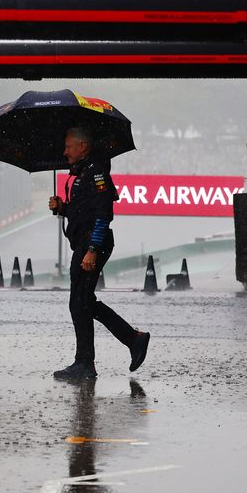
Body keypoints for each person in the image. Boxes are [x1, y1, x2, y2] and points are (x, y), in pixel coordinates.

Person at [48, 127, 150, 381]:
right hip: (84, 244)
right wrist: (63, 208)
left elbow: (104, 215)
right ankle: (130, 340)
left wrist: (92, 250)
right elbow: (83, 212)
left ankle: (87, 363)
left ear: (82, 146)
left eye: (69, 147)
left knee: (80, 302)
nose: (65, 152)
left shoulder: (97, 172)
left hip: (93, 244)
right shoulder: (83, 172)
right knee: (81, 303)